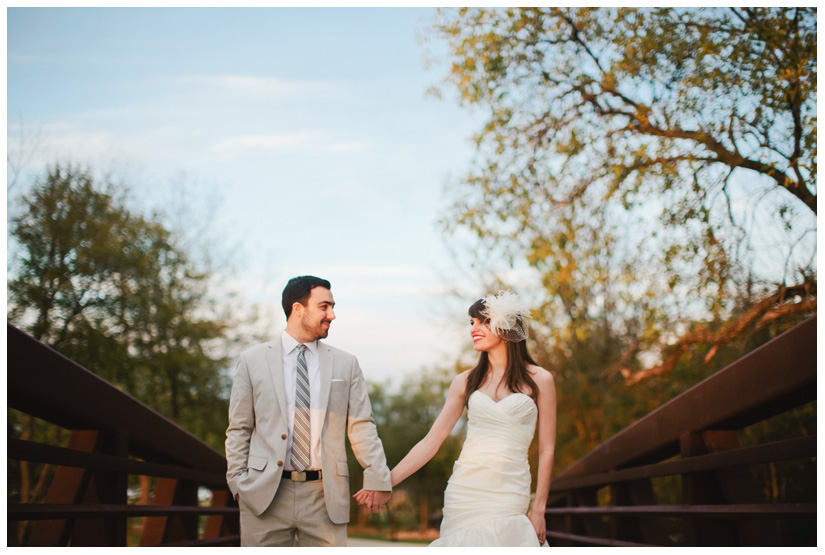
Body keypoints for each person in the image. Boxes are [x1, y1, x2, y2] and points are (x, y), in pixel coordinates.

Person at [356, 290, 556, 546]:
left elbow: (547, 450)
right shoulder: (464, 381)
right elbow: (431, 442)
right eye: (472, 322)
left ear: (505, 326)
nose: (474, 328)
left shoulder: (540, 380)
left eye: (483, 321)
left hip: (510, 491)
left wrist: (538, 509)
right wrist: (385, 482)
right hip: (464, 491)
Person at [226, 275, 392, 547]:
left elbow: (362, 425)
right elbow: (239, 428)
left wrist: (378, 477)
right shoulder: (252, 361)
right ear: (297, 308)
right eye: (324, 306)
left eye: (333, 306)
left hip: (325, 495)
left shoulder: (346, 364)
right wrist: (237, 483)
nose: (333, 315)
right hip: (263, 493)